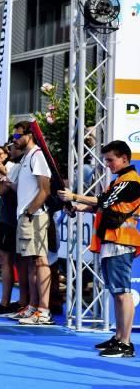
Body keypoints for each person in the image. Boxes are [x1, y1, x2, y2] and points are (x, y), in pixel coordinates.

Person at [59, 140, 140, 358]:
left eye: (111, 160)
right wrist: (77, 207)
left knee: (122, 293)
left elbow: (103, 201)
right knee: (117, 293)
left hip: (121, 241)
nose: (108, 164)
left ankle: (125, 343)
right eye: (106, 160)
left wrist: (74, 196)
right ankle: (119, 337)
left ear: (124, 158)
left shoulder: (130, 182)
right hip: (112, 241)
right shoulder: (120, 181)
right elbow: (102, 206)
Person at [0, 121, 53, 325]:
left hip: (35, 216)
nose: (14, 140)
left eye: (17, 136)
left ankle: (43, 310)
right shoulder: (26, 158)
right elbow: (22, 189)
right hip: (26, 215)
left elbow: (44, 189)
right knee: (31, 262)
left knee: (40, 261)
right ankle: (32, 306)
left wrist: (30, 212)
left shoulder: (37, 156)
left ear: (28, 135)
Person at [0, 144, 24, 316]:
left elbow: (3, 190)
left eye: (2, 153)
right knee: (5, 259)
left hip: (11, 219)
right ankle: (13, 301)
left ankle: (7, 302)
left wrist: (2, 174)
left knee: (8, 260)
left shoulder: (13, 167)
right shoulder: (8, 168)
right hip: (5, 217)